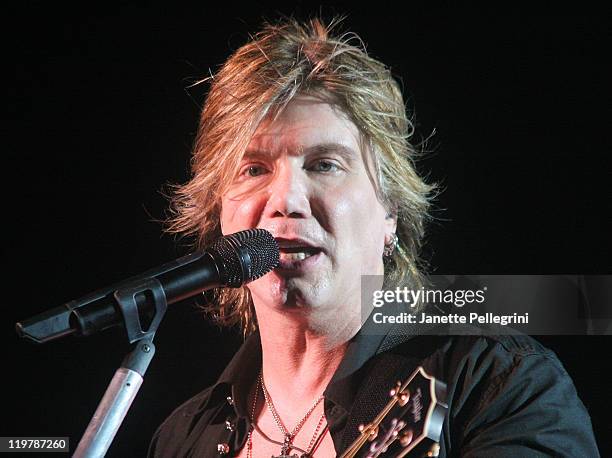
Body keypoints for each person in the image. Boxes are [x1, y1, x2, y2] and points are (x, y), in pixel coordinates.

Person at [148, 17, 600, 457]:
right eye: (254, 169)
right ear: (219, 211)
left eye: (324, 164)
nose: (286, 199)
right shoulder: (183, 438)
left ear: (391, 211)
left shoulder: (497, 383)